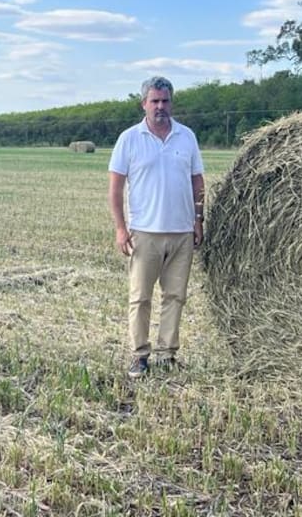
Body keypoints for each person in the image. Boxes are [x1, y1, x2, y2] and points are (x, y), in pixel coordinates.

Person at [108, 76, 205, 379]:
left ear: (171, 103)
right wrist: (121, 229)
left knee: (175, 296)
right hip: (145, 232)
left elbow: (197, 181)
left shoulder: (186, 136)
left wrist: (199, 219)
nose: (160, 106)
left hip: (182, 232)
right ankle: (139, 355)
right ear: (144, 104)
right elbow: (115, 189)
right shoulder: (129, 138)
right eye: (155, 101)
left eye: (165, 101)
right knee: (141, 297)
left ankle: (167, 354)